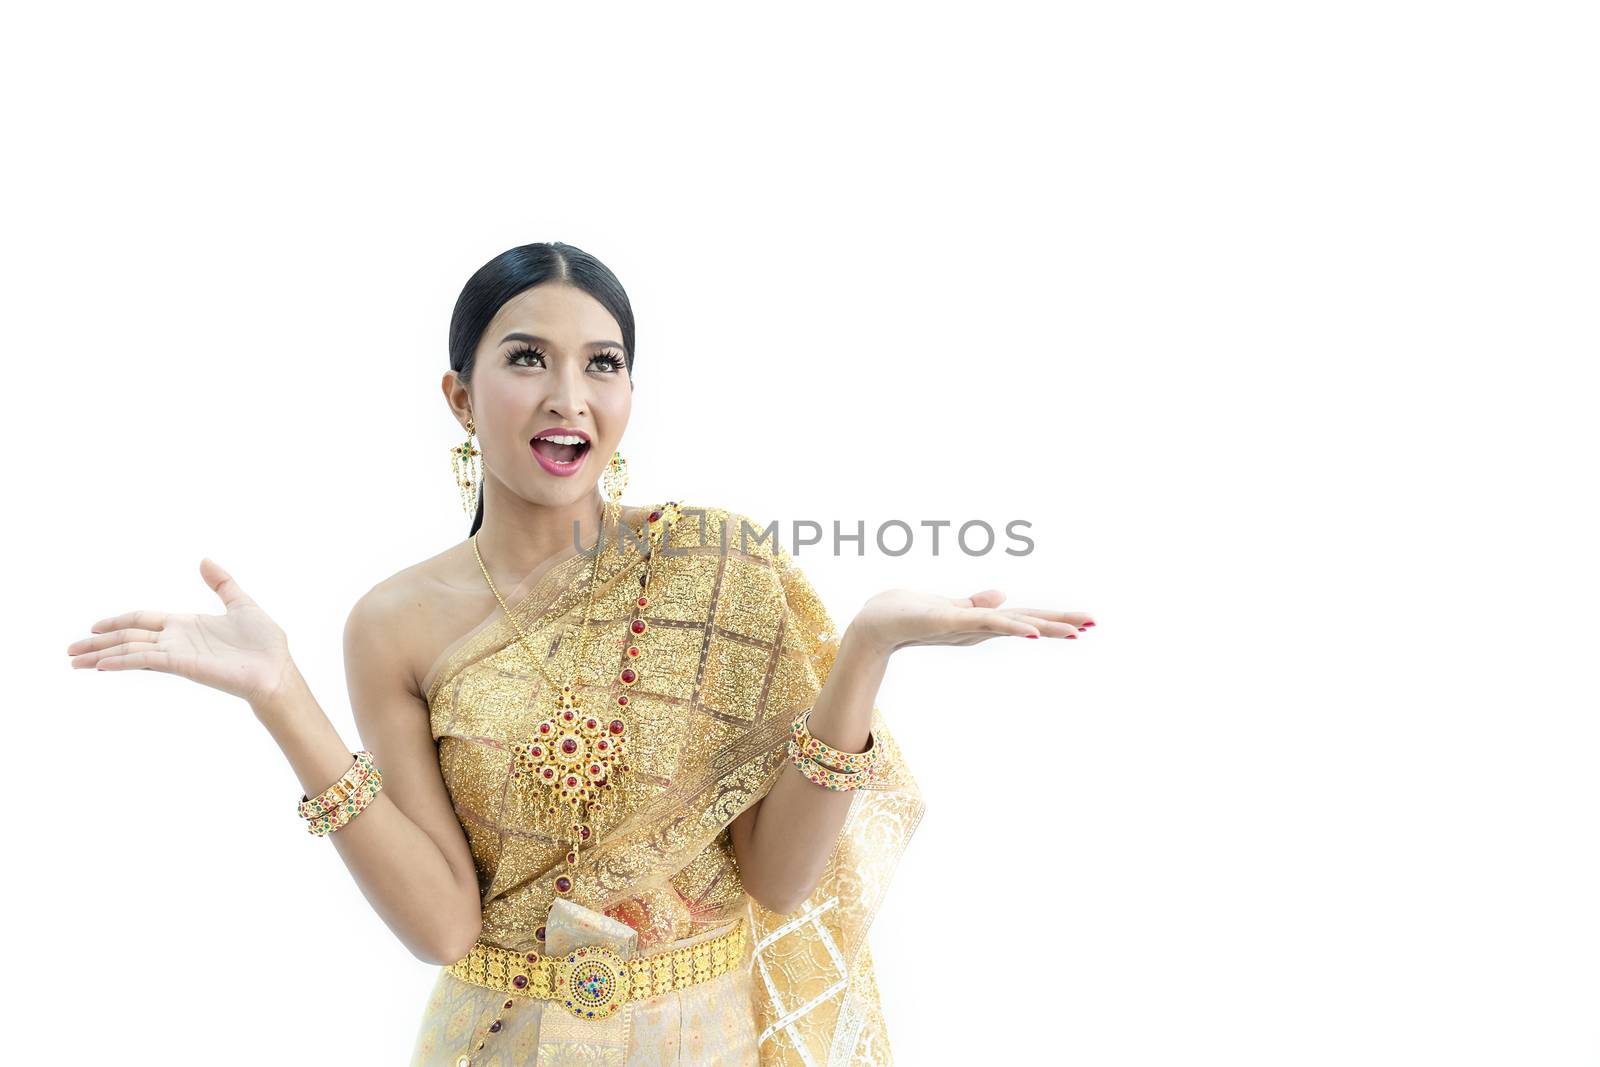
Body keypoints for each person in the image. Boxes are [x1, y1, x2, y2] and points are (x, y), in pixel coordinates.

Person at [65, 241, 1094, 1066]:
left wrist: (866, 648)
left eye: (601, 363)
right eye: (526, 358)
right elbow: (440, 926)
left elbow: (779, 878)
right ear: (460, 398)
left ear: (629, 395)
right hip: (502, 1039)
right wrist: (278, 692)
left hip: (707, 1037)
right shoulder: (394, 619)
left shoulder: (713, 565)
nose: (569, 395)